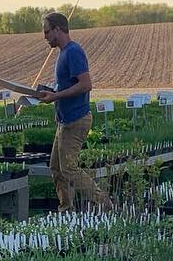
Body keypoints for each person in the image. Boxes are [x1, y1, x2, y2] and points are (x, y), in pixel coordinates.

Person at [35, 12, 114, 212]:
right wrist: (54, 99)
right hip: (65, 120)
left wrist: (56, 97)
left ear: (57, 29)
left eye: (47, 32)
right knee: (56, 168)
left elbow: (86, 85)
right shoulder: (62, 53)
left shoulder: (73, 52)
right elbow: (66, 87)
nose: (45, 37)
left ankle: (104, 204)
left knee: (68, 168)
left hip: (76, 120)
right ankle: (66, 209)